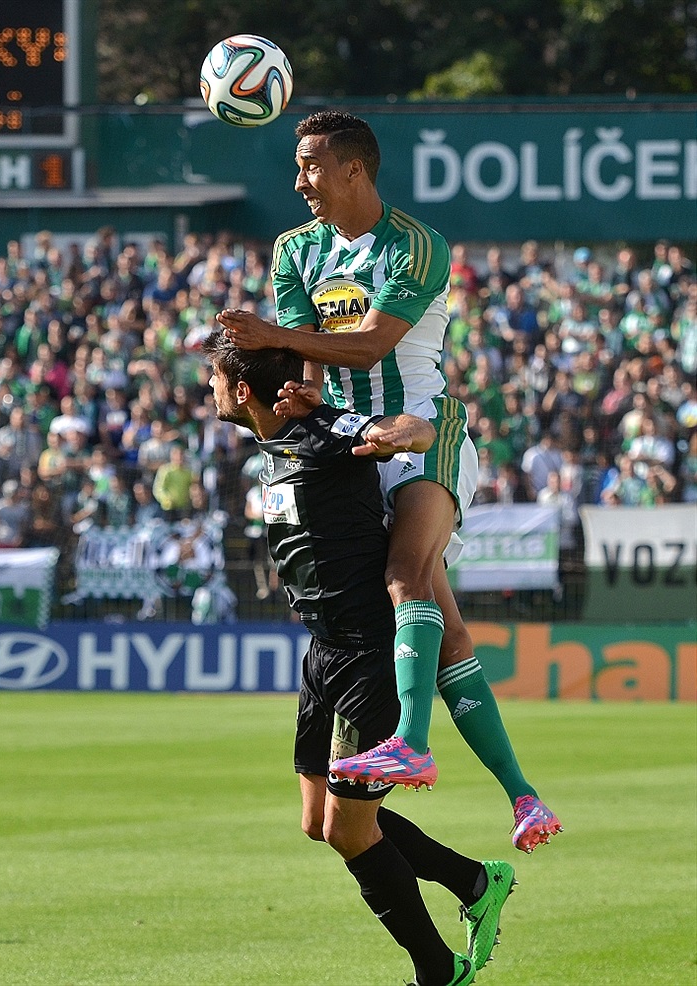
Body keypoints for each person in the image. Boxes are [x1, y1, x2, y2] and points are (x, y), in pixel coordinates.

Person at [217, 109, 561, 852]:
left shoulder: (416, 244)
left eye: (311, 166)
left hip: (421, 431)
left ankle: (409, 739)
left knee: (406, 576)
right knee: (446, 629)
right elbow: (316, 362)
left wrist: (274, 338)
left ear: (355, 170)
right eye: (298, 166)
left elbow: (371, 347)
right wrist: (303, 395)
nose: (299, 180)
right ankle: (525, 797)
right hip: (353, 444)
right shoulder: (295, 250)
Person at [203, 333, 515, 986]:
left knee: (351, 832)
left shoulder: (321, 430)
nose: (206, 388)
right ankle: (473, 880)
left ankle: (439, 970)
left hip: (371, 653)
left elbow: (419, 432)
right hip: (324, 653)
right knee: (319, 821)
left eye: (212, 378)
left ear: (240, 389)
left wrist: (390, 438)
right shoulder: (279, 439)